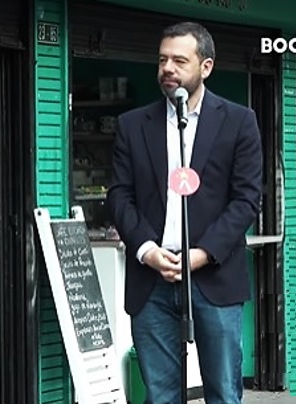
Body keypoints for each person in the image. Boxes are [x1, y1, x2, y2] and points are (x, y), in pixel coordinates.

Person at [106, 22, 262, 404]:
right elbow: (119, 196)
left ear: (206, 66)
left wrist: (202, 253)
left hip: (213, 277)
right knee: (160, 395)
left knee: (223, 393)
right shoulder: (132, 125)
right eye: (162, 60)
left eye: (179, 60)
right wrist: (147, 250)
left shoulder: (239, 121)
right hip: (152, 280)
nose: (168, 69)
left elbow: (246, 200)